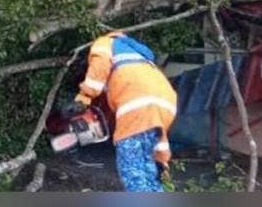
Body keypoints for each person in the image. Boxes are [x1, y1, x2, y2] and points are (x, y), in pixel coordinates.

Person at [61, 31, 177, 192]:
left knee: (133, 172)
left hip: (137, 102)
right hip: (167, 101)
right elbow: (160, 133)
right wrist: (161, 160)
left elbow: (99, 66)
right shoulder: (139, 56)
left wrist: (83, 98)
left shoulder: (104, 42)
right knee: (149, 175)